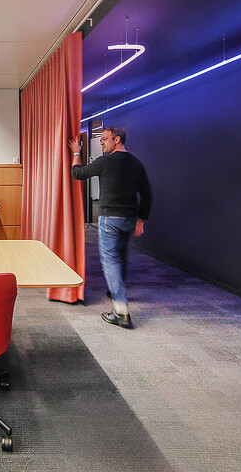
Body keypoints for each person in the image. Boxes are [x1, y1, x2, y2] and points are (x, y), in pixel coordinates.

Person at [70, 126, 152, 329]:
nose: (101, 142)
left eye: (105, 139)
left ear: (117, 140)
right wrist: (141, 219)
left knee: (111, 261)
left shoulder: (105, 161)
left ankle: (121, 311)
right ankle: (115, 291)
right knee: (120, 256)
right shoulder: (136, 163)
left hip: (110, 219)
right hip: (129, 218)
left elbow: (77, 173)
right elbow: (147, 193)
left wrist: (76, 153)